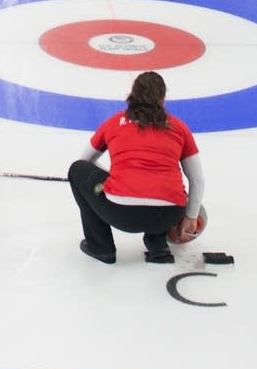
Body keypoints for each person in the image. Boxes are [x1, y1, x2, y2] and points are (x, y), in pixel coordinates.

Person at [68, 71, 205, 265]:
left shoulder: (113, 123)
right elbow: (197, 180)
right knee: (164, 193)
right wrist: (191, 216)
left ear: (131, 96)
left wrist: (112, 176)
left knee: (77, 171)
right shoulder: (179, 127)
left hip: (121, 213)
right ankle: (157, 243)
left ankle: (101, 247)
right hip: (167, 215)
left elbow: (84, 161)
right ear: (163, 99)